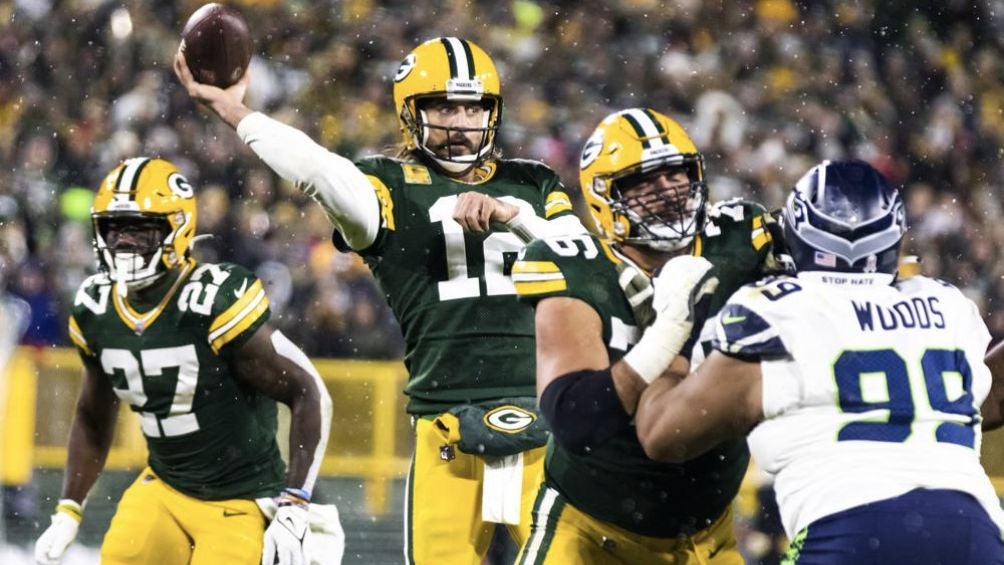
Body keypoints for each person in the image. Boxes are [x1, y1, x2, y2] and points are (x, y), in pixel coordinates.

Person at [174, 37, 586, 563]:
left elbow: (582, 260)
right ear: (411, 113)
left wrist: (515, 215)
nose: (462, 123)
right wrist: (236, 112)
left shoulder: (533, 181)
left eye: (473, 107)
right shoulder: (387, 185)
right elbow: (317, 170)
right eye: (444, 108)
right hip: (446, 420)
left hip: (549, 415)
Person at [634, 160, 1004, 564]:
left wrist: (672, 327)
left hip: (849, 529)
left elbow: (661, 434)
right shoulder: (943, 303)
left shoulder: (776, 310)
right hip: (976, 531)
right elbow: (981, 402)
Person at [32, 158, 336, 565]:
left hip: (240, 496)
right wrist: (69, 508)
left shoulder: (211, 300)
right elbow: (93, 414)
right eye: (114, 229)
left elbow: (308, 392)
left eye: (140, 230)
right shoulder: (95, 306)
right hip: (165, 485)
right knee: (124, 553)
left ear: (177, 229)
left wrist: (295, 502)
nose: (124, 243)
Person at [511, 108, 780, 563]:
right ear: (605, 197)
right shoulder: (576, 266)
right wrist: (667, 333)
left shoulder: (739, 241)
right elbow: (575, 419)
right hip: (591, 532)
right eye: (643, 182)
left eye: (676, 174)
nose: (668, 191)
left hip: (709, 534)